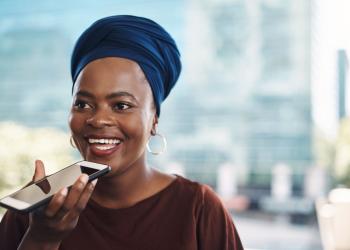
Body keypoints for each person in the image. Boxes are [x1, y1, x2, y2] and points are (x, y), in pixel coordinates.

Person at [0, 15, 244, 250]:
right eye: (83, 104)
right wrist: (42, 239)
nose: (98, 119)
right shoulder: (38, 211)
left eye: (121, 105)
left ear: (154, 119)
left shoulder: (198, 210)